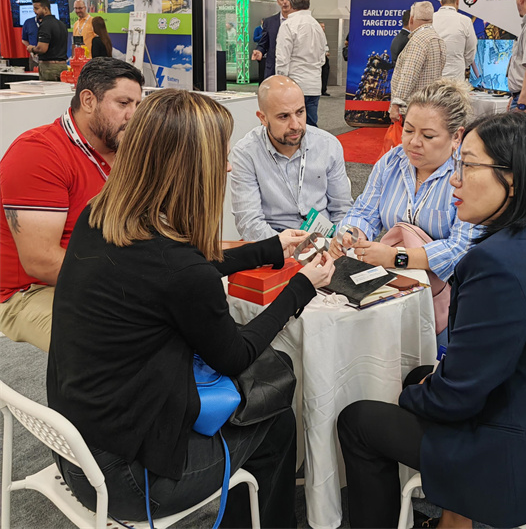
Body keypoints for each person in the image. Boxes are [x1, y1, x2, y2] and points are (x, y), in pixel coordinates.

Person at [46, 88, 335, 527]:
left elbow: (180, 268)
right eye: (220, 156)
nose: (228, 166)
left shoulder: (100, 215)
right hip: (128, 479)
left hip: (76, 443)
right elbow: (235, 354)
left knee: (266, 403)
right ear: (190, 167)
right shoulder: (179, 269)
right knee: (276, 411)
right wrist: (301, 287)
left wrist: (268, 248)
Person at [337, 112, 526, 529]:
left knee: (359, 420)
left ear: (513, 179)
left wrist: (410, 397)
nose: (454, 181)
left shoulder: (497, 263)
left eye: (468, 166)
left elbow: (456, 398)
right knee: (420, 375)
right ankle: (452, 520)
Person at [0, 58, 144, 352]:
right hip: (28, 291)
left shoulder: (122, 149)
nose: (134, 116)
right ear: (88, 100)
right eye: (123, 103)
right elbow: (41, 261)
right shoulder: (38, 153)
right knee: (118, 342)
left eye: (138, 105)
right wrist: (133, 283)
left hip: (98, 273)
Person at [331, 79, 476, 285]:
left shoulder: (469, 174)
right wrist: (351, 234)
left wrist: (396, 257)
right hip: (396, 278)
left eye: (428, 136)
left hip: (451, 287)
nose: (414, 142)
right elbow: (364, 212)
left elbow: (462, 248)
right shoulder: (392, 162)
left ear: (456, 137)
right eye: (408, 130)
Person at [230, 75, 352, 241]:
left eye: (300, 112)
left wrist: (337, 244)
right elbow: (249, 223)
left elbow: (342, 209)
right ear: (263, 118)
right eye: (284, 116)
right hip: (274, 241)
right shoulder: (246, 153)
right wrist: (292, 248)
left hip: (325, 241)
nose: (295, 125)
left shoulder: (328, 145)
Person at [275, 0, 327, 127]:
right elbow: (322, 58)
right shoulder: (317, 26)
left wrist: (280, 85)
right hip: (314, 85)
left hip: (294, 85)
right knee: (311, 127)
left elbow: (282, 60)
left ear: (291, 2)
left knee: (292, 128)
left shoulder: (288, 25)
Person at [389, 1, 446, 124]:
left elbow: (409, 75)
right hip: (430, 105)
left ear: (411, 19)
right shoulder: (438, 39)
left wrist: (396, 104)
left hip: (412, 109)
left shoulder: (418, 41)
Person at [432, 0, 477, 81]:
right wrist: (459, 64)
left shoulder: (430, 19)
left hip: (433, 78)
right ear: (458, 1)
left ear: (441, 2)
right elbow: (471, 51)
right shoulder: (465, 21)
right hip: (456, 78)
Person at [252, 0, 291, 80]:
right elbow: (263, 43)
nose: (285, 1)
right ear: (278, 1)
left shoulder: (299, 22)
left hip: (293, 70)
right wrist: (259, 51)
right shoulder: (269, 22)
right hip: (273, 70)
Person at [26, 0, 68, 81]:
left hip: (49, 68)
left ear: (45, 9)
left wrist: (31, 48)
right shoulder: (62, 24)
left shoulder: (45, 25)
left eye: (37, 8)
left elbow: (42, 49)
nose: (34, 11)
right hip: (63, 67)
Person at [320, 22, 331, 96]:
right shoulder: (316, 35)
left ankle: (323, 89)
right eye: (322, 26)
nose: (323, 28)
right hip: (318, 57)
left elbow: (325, 45)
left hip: (325, 56)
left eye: (324, 26)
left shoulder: (323, 35)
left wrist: (326, 52)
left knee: (325, 73)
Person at [253, 18, 266, 82]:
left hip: (268, 51)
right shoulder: (257, 29)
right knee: (261, 67)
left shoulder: (268, 29)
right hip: (260, 49)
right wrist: (262, 36)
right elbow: (255, 39)